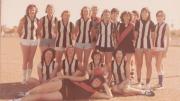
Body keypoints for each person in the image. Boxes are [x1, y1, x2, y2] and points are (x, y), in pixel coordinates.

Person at [17, 4, 39, 84]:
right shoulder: (24, 19)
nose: (32, 11)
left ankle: (28, 78)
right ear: (28, 10)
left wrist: (36, 37)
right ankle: (23, 78)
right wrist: (23, 37)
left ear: (35, 11)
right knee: (25, 59)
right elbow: (18, 30)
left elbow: (38, 31)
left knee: (31, 60)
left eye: (33, 10)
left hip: (34, 41)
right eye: (30, 9)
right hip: (25, 41)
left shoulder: (37, 20)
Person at [134, 7, 155, 89]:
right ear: (141, 13)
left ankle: (148, 82)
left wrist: (153, 46)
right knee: (139, 64)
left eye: (146, 12)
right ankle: (139, 82)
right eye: (143, 12)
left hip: (148, 46)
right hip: (139, 45)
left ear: (148, 14)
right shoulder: (138, 22)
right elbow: (135, 35)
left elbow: (153, 36)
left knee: (148, 64)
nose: (144, 14)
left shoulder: (151, 23)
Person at [152, 10, 170, 89]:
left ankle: (161, 83)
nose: (159, 17)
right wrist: (153, 48)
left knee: (157, 64)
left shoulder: (166, 25)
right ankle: (160, 82)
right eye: (158, 16)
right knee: (159, 64)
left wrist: (166, 50)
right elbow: (155, 37)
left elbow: (168, 38)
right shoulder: (156, 26)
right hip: (156, 47)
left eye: (161, 16)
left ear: (164, 17)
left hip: (162, 47)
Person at [116, 11, 135, 80]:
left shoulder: (132, 25)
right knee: (121, 62)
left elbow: (134, 37)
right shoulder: (119, 25)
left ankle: (128, 78)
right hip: (121, 46)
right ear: (122, 17)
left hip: (129, 45)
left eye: (128, 16)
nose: (126, 17)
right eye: (125, 15)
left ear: (130, 17)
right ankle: (121, 78)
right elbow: (117, 36)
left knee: (128, 62)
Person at [96, 9, 115, 76]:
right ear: (102, 16)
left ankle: (109, 77)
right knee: (101, 62)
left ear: (110, 16)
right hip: (100, 45)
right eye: (105, 15)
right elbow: (96, 34)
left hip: (109, 45)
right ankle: (100, 76)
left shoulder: (113, 24)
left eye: (107, 15)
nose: (106, 16)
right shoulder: (98, 24)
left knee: (108, 62)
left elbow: (114, 34)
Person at [74, 6, 93, 71]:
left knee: (86, 60)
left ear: (89, 12)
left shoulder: (91, 22)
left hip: (88, 43)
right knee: (79, 61)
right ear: (82, 12)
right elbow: (75, 32)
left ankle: (85, 74)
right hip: (79, 42)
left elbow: (93, 33)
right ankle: (80, 73)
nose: (85, 12)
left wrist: (92, 42)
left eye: (87, 11)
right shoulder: (78, 21)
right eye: (84, 11)